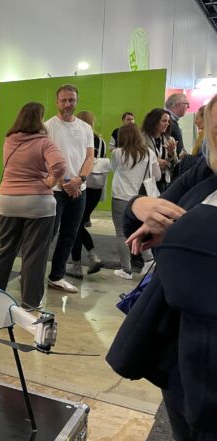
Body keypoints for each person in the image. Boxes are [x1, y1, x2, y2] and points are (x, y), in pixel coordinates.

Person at [107, 94, 217, 441]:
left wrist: (180, 234)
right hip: (179, 347)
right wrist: (140, 205)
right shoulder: (205, 172)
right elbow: (145, 221)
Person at [0, 102, 66, 311]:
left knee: (3, 250)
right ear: (40, 120)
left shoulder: (9, 140)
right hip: (38, 203)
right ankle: (30, 302)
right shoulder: (44, 142)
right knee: (34, 254)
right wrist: (50, 181)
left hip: (8, 200)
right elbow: (59, 165)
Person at [44, 85, 94, 294]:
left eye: (71, 100)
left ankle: (57, 276)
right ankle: (32, 274)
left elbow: (90, 157)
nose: (67, 104)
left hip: (79, 190)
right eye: (63, 100)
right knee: (46, 235)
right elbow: (44, 158)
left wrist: (79, 179)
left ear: (77, 101)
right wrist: (66, 181)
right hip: (55, 190)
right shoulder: (48, 127)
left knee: (69, 235)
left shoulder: (85, 128)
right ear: (57, 102)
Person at [108, 123, 160, 279]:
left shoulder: (118, 153)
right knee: (141, 229)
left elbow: (113, 169)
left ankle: (126, 269)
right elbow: (157, 176)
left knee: (120, 233)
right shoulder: (149, 153)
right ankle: (148, 260)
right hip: (141, 199)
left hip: (120, 196)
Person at [67, 110, 106, 279]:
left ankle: (80, 263)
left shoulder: (78, 138)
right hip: (96, 187)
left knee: (75, 225)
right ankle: (91, 256)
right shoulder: (101, 141)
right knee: (79, 224)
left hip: (81, 184)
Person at [141, 108, 178, 193]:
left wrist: (171, 154)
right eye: (164, 121)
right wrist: (155, 161)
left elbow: (175, 164)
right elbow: (138, 158)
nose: (167, 124)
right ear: (154, 121)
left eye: (168, 121)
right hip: (147, 182)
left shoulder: (170, 140)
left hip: (164, 183)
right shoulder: (142, 138)